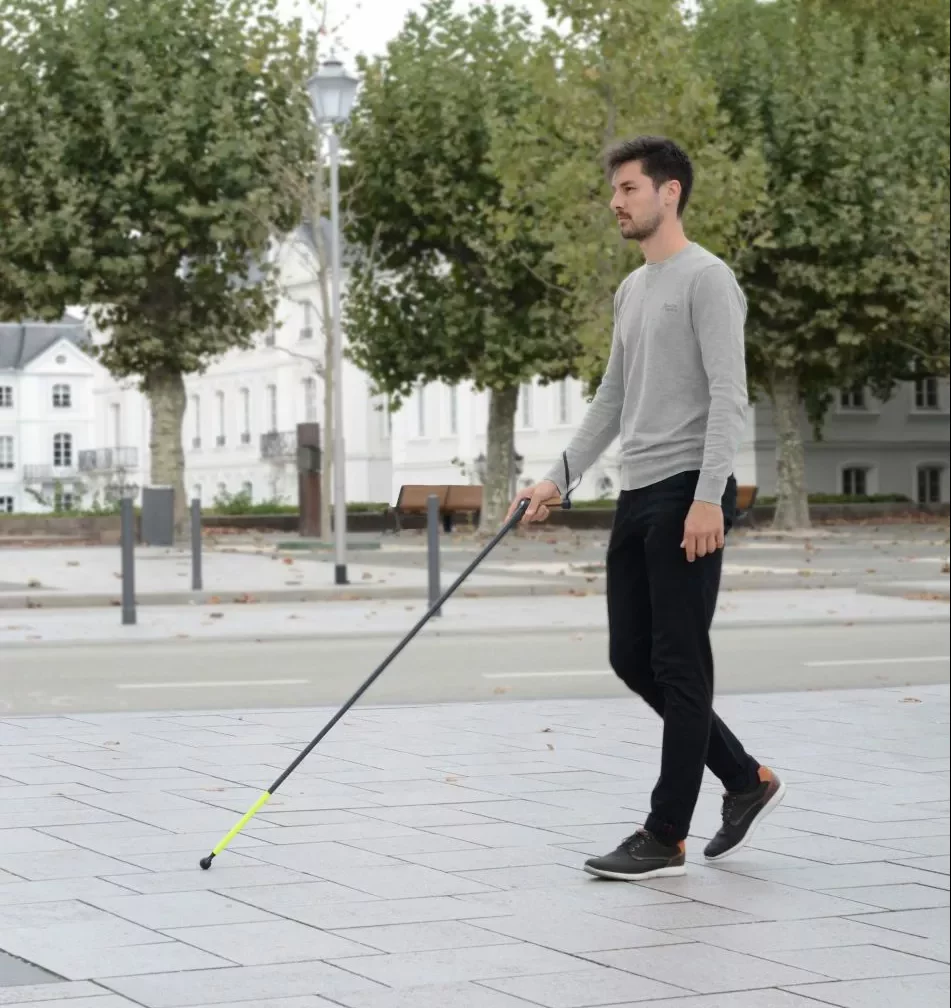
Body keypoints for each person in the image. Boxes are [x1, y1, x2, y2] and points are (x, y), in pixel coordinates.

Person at [507, 136, 785, 881]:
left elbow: (728, 395)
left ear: (669, 193)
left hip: (688, 492)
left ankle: (664, 834)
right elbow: (612, 396)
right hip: (635, 493)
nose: (615, 201)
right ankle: (745, 779)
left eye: (628, 188)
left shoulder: (708, 279)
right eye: (615, 190)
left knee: (679, 662)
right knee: (631, 655)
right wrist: (555, 479)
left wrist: (706, 499)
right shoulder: (632, 291)